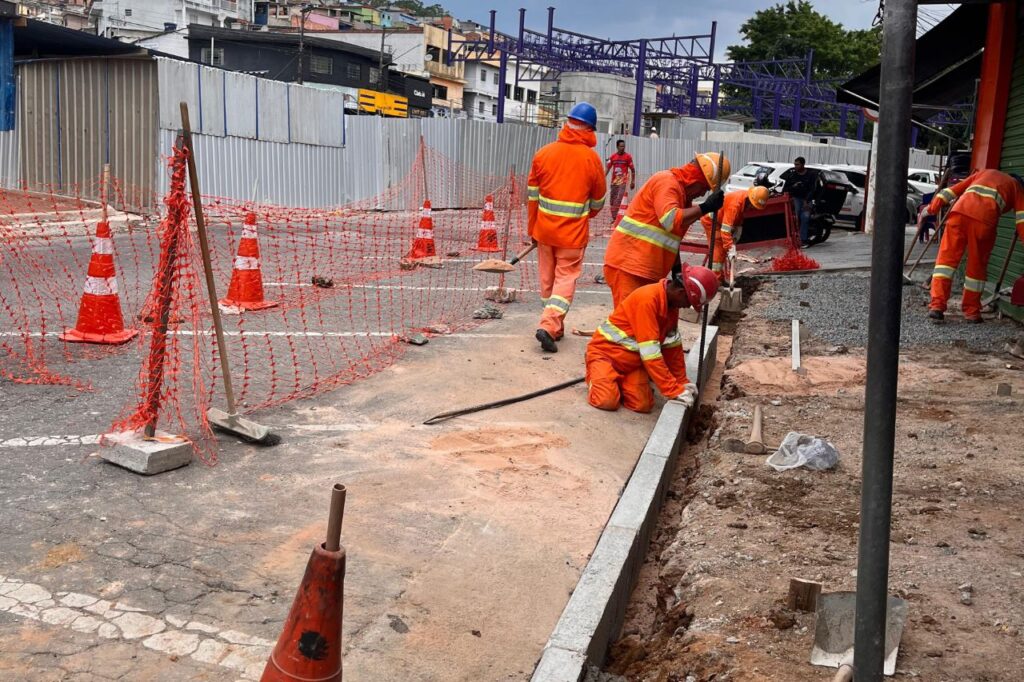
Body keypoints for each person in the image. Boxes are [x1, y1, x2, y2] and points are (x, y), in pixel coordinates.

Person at [527, 101, 607, 352]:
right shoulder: (591, 160)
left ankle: (554, 326)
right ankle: (550, 325)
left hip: (544, 232)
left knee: (548, 281)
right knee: (565, 281)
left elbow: (532, 198)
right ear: (591, 130)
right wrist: (585, 214)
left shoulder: (543, 153)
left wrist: (532, 230)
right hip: (572, 235)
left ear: (567, 123)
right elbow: (598, 202)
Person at [585, 265, 719, 413]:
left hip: (633, 363)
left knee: (642, 405)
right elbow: (651, 354)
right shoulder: (647, 300)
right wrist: (673, 390)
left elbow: (672, 347)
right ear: (680, 292)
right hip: (606, 357)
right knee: (606, 401)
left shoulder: (671, 306)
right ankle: (598, 378)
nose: (687, 307)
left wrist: (682, 382)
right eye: (689, 303)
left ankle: (615, 383)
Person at [602, 153, 729, 307]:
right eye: (704, 188)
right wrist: (705, 207)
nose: (702, 194)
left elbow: (671, 240)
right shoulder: (667, 182)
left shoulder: (683, 198)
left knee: (643, 319)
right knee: (630, 321)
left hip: (646, 269)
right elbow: (670, 220)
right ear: (696, 179)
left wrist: (676, 270)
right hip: (629, 267)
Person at [923, 169, 1024, 322]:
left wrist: (931, 209)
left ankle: (937, 306)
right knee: (976, 267)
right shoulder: (1017, 187)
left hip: (958, 215)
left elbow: (949, 191)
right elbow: (1022, 221)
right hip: (984, 222)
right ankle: (971, 312)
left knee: (945, 263)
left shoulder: (984, 173)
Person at [700, 186, 770, 282]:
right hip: (712, 221)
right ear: (751, 200)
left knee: (723, 251)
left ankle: (720, 278)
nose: (753, 208)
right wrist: (730, 247)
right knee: (718, 250)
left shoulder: (745, 199)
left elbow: (738, 217)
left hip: (720, 221)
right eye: (753, 206)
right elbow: (725, 230)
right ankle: (715, 281)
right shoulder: (735, 205)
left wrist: (738, 228)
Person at [779, 157, 818, 247]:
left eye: (797, 164)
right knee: (795, 219)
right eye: (795, 164)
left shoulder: (810, 175)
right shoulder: (792, 175)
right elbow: (785, 189)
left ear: (803, 164)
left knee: (805, 217)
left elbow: (813, 189)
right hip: (795, 199)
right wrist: (794, 186)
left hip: (806, 200)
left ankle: (803, 240)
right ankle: (795, 238)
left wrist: (806, 200)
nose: (795, 166)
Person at [605, 139, 636, 219]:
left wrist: (633, 181)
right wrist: (602, 178)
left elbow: (632, 170)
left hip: (623, 182)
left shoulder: (628, 157)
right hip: (614, 182)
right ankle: (614, 217)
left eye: (624, 146)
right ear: (617, 147)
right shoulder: (613, 157)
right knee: (612, 200)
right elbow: (607, 168)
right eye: (621, 146)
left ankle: (617, 217)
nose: (623, 148)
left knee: (619, 199)